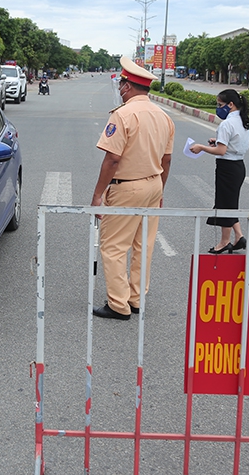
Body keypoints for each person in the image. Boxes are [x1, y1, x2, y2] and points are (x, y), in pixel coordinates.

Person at [90, 57, 175, 320]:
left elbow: (112, 159)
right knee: (143, 245)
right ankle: (136, 299)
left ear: (127, 86)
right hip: (153, 184)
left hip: (127, 188)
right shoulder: (163, 116)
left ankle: (118, 305)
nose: (119, 87)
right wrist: (160, 190)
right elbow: (167, 159)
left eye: (121, 83)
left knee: (113, 246)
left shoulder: (123, 114)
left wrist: (97, 195)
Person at [190, 89, 249, 254]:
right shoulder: (244, 121)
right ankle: (239, 236)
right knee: (230, 202)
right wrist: (217, 142)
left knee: (226, 204)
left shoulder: (227, 124)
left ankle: (224, 242)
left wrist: (201, 147)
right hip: (239, 166)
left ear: (230, 104)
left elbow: (221, 151)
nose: (218, 109)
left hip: (227, 168)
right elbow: (232, 144)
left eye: (220, 105)